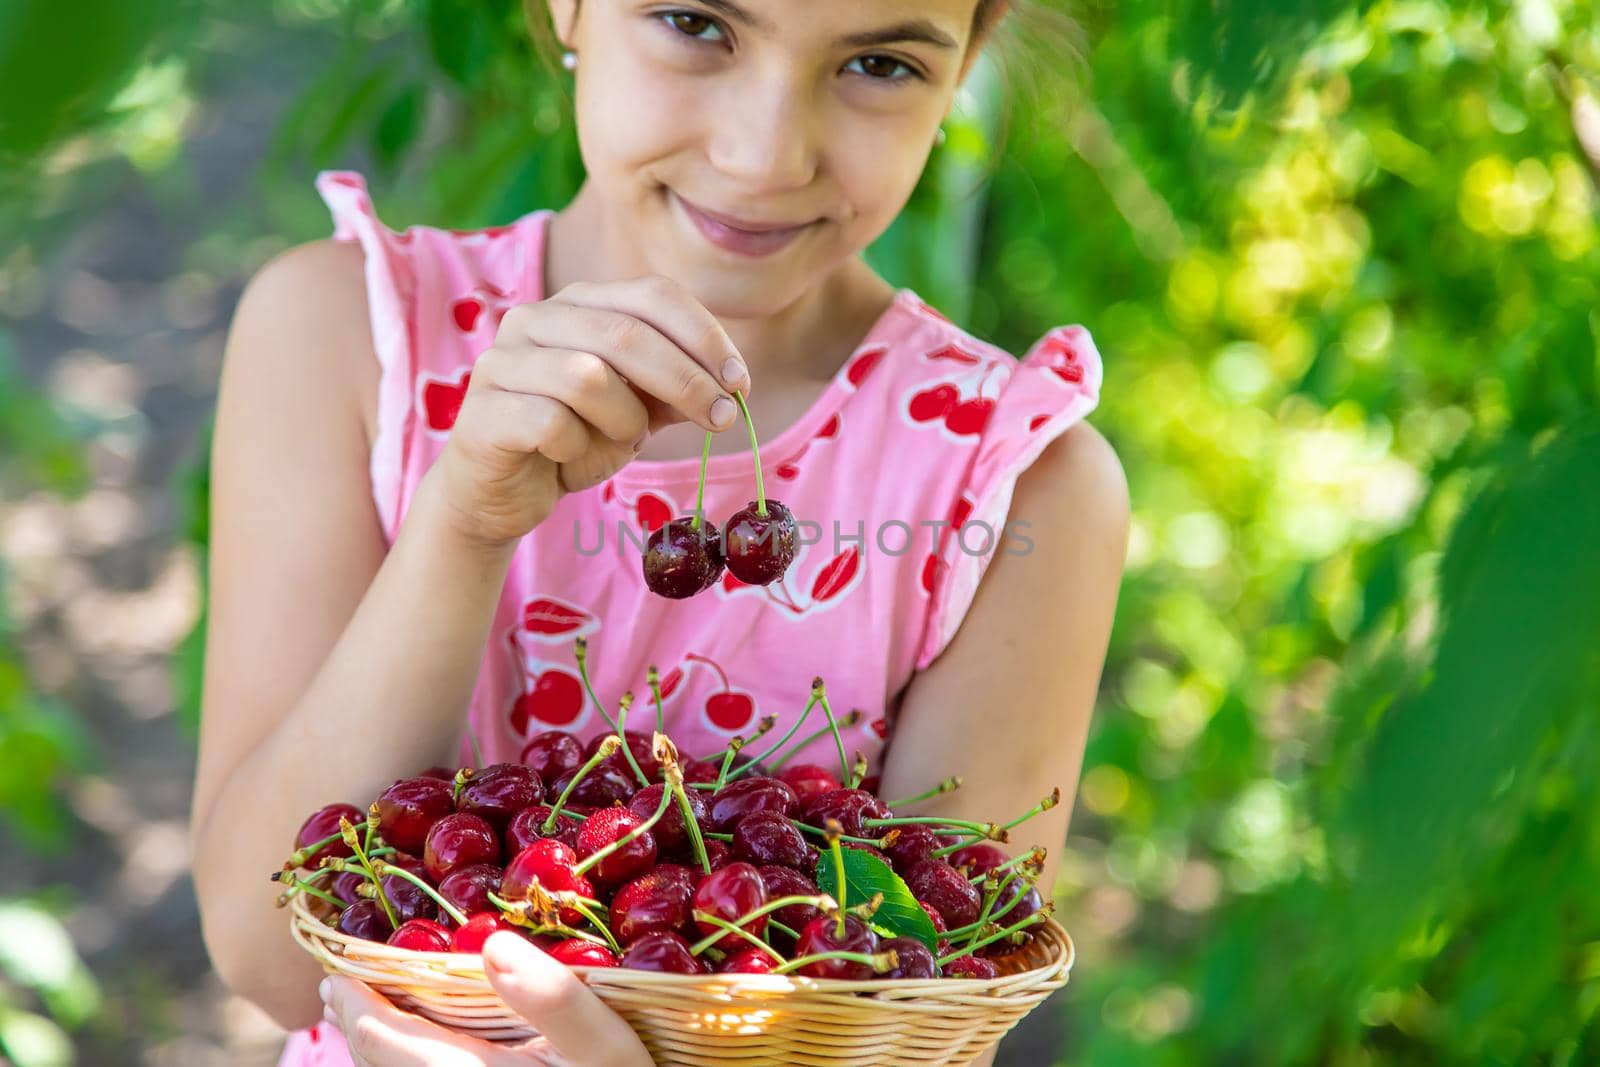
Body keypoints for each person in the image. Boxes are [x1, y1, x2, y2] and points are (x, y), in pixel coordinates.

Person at [189, 0, 1129, 1063]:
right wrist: (460, 523)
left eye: (878, 62)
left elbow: (929, 1006)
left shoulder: (1013, 481)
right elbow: (271, 955)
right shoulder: (346, 338)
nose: (764, 155)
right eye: (696, 22)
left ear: (963, 67)